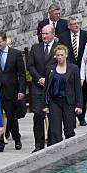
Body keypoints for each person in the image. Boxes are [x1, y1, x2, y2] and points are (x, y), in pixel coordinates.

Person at [0, 31, 26, 152]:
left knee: (11, 117)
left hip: (11, 90)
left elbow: (21, 74)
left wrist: (21, 90)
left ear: (5, 41)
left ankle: (17, 138)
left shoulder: (15, 54)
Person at [28, 24, 59, 153]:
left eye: (46, 34)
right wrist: (39, 78)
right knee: (38, 116)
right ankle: (38, 144)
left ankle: (52, 142)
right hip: (38, 87)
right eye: (42, 34)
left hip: (53, 87)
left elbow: (62, 66)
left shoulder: (59, 49)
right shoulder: (35, 48)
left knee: (53, 115)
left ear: (53, 34)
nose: (44, 36)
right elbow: (30, 66)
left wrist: (49, 79)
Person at [43, 45, 83, 144]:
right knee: (55, 130)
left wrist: (79, 105)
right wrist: (45, 105)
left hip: (68, 102)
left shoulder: (73, 68)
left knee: (69, 129)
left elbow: (77, 88)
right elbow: (46, 88)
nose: (60, 57)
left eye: (61, 55)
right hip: (54, 102)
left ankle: (70, 149)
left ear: (66, 55)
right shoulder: (50, 69)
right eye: (58, 55)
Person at [58, 17, 87, 126]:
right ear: (69, 26)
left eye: (78, 23)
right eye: (74, 24)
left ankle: (82, 117)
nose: (76, 25)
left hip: (83, 68)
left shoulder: (86, 35)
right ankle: (71, 117)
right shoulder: (63, 36)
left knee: (82, 92)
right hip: (69, 69)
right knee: (70, 92)